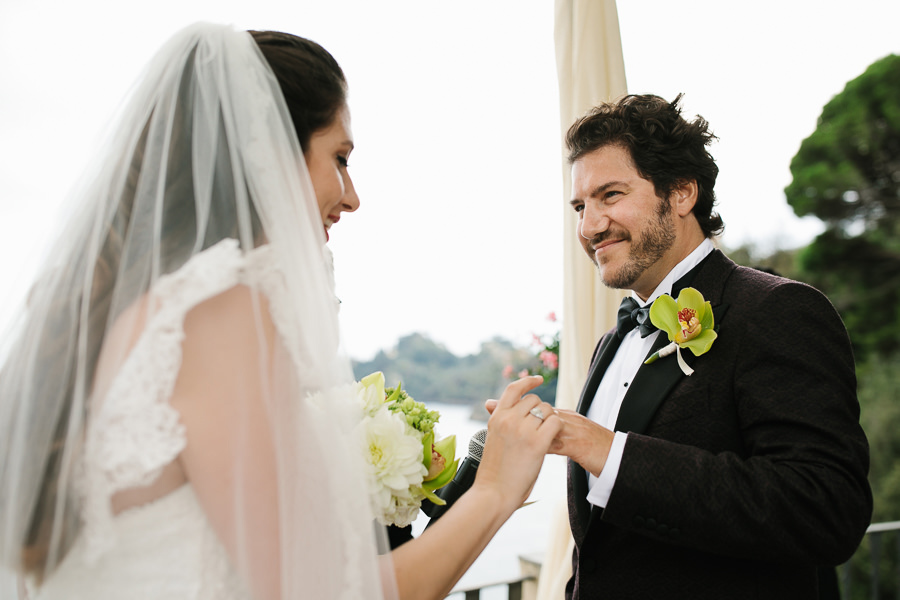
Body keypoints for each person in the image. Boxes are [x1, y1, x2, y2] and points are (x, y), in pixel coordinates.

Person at [0, 23, 560, 600]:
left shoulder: (128, 312)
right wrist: (494, 487)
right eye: (339, 157)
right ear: (267, 153)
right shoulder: (218, 309)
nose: (352, 195)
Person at [550, 94, 872, 599]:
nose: (589, 226)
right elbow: (601, 550)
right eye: (579, 206)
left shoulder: (776, 310)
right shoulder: (610, 345)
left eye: (610, 195)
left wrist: (608, 451)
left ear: (680, 193)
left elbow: (825, 510)